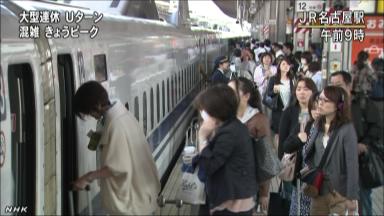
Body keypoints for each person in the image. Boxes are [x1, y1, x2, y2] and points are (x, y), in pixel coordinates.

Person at [72, 81, 161, 215]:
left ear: (97, 105)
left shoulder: (116, 125)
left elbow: (117, 168)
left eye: (89, 111)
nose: (91, 115)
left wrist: (87, 178)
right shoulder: (122, 116)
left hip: (133, 205)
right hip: (140, 196)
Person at [194, 84, 257, 216]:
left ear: (216, 110)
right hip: (232, 198)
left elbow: (210, 165)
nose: (203, 113)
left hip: (232, 204)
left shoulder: (230, 132)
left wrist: (202, 137)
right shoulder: (231, 127)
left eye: (205, 110)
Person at [330, 71, 382, 215]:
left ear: (349, 84)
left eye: (339, 85)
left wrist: (364, 144)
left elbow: (377, 127)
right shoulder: (331, 105)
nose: (335, 89)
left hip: (360, 160)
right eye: (332, 85)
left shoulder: (363, 103)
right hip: (336, 162)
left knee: (362, 198)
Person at [303, 86, 359, 215]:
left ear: (338, 106)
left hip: (339, 191)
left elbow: (352, 164)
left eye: (326, 100)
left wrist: (352, 196)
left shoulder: (347, 129)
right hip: (319, 188)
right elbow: (309, 153)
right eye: (320, 99)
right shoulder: (318, 124)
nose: (320, 103)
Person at [228, 78, 272, 214]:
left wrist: (264, 193)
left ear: (246, 96)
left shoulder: (258, 121)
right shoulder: (225, 117)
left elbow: (265, 158)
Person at [279, 78, 318, 215]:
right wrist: (282, 165)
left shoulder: (319, 113)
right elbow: (283, 142)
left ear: (313, 91)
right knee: (293, 201)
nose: (302, 92)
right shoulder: (289, 112)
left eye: (306, 89)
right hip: (292, 165)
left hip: (311, 170)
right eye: (299, 89)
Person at [266, 57, 296, 149]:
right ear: (279, 66)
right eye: (283, 64)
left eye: (287, 64)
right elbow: (269, 93)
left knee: (288, 131)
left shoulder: (292, 79)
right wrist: (275, 90)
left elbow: (294, 94)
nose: (285, 66)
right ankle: (278, 153)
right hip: (278, 109)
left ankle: (285, 152)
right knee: (278, 132)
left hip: (290, 109)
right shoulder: (274, 79)